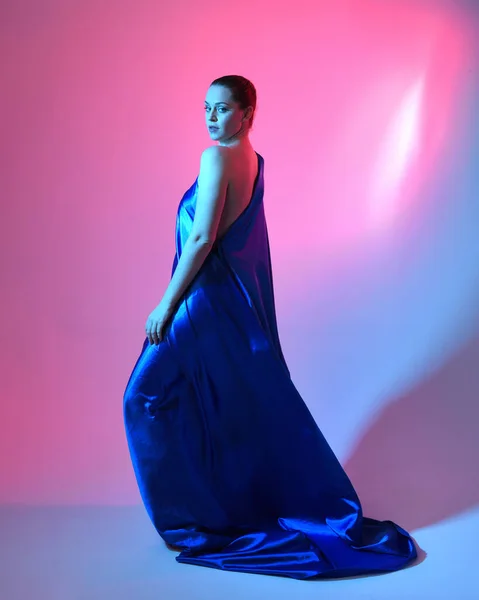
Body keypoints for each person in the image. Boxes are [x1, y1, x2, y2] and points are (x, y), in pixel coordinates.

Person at [123, 74, 417, 580]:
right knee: (207, 403)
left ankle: (194, 525)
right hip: (226, 307)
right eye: (206, 109)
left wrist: (164, 306)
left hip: (199, 305)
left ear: (247, 112)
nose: (212, 118)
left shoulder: (215, 159)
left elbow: (202, 240)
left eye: (222, 109)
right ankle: (211, 511)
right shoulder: (254, 163)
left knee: (143, 399)